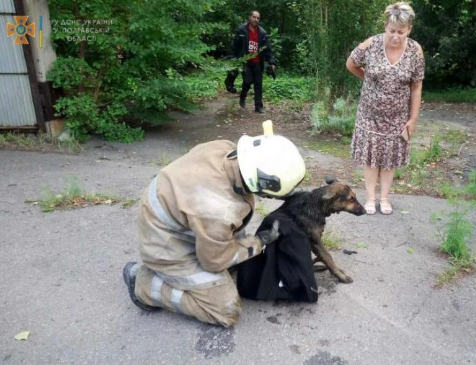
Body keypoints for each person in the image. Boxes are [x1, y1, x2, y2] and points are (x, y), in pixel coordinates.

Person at [122, 122, 306, 327]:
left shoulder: (226, 150)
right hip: (166, 245)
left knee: (231, 258)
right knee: (226, 310)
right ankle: (144, 284)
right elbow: (214, 261)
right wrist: (258, 242)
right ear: (261, 183)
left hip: (178, 217)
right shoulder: (218, 210)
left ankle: (203, 261)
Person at [346, 2, 424, 215]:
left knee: (390, 159)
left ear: (409, 29)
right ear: (385, 26)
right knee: (370, 157)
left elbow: (416, 86)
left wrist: (413, 119)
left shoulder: (415, 50)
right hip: (369, 114)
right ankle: (370, 198)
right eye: (391, 31)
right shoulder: (371, 44)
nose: (395, 36)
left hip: (398, 116)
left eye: (401, 31)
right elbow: (351, 63)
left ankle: (385, 198)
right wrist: (368, 80)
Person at [224, 10, 276, 113]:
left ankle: (258, 106)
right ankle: (242, 96)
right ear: (249, 17)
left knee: (258, 83)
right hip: (245, 61)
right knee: (248, 81)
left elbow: (267, 49)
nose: (256, 19)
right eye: (254, 17)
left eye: (258, 18)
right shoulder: (241, 30)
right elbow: (235, 46)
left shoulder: (262, 33)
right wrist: (232, 58)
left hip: (257, 61)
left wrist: (272, 61)